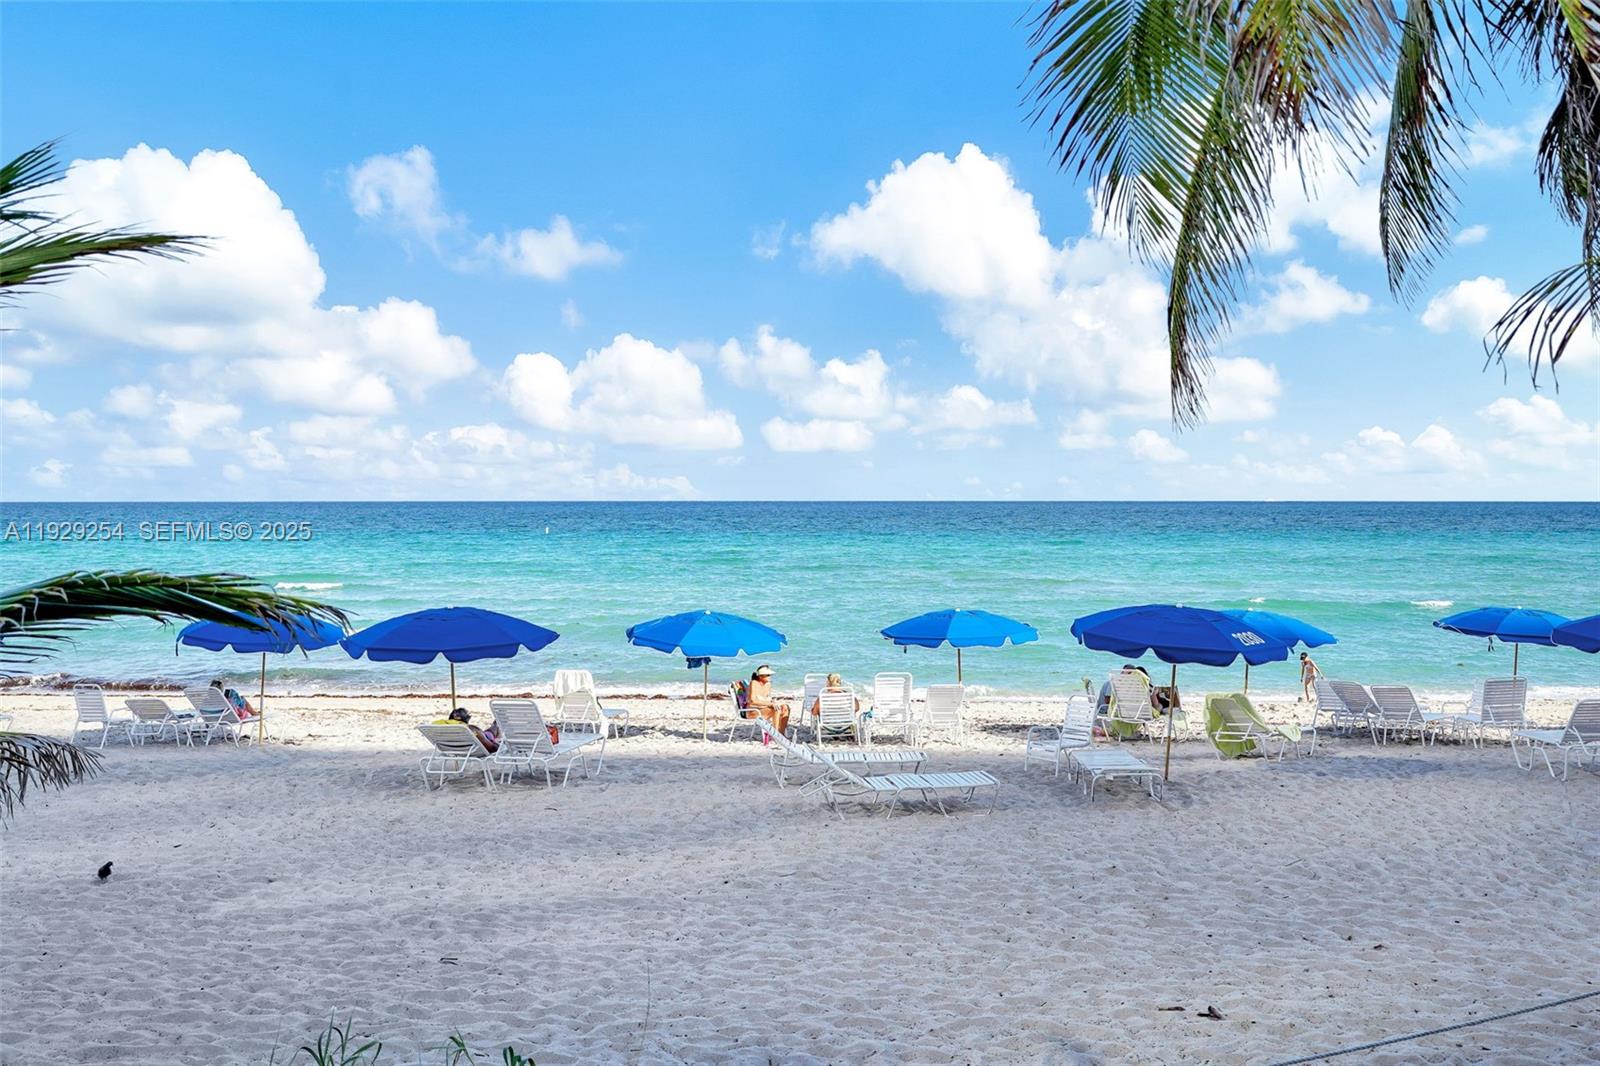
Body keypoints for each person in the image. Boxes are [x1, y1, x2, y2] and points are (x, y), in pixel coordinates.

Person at [746, 665, 790, 735]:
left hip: (764, 709)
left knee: (785, 708)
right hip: (753, 711)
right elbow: (752, 701)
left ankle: (781, 734)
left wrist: (774, 702)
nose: (770, 676)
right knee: (776, 709)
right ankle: (775, 735)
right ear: (760, 676)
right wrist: (771, 704)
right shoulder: (754, 683)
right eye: (768, 675)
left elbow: (768, 699)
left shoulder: (768, 684)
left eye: (770, 675)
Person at [432, 707, 498, 752]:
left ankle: (495, 724)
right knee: (493, 729)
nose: (467, 715)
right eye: (465, 713)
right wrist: (498, 747)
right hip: (469, 750)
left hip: (448, 750)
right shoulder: (468, 729)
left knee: (490, 731)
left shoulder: (437, 724)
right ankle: (496, 724)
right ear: (456, 716)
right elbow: (491, 748)